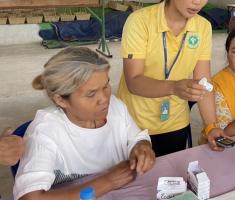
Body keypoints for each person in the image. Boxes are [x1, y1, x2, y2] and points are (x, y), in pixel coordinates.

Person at [118, 0, 227, 157]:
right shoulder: (140, 21)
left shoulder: (203, 27)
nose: (198, 1)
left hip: (176, 121)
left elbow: (204, 82)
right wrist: (175, 87)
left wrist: (211, 126)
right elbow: (134, 81)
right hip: (135, 124)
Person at [13, 47, 155, 200]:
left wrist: (142, 147)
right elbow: (29, 197)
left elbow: (137, 138)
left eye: (106, 86)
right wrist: (108, 182)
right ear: (60, 100)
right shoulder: (46, 131)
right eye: (91, 94)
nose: (105, 98)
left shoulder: (116, 107)